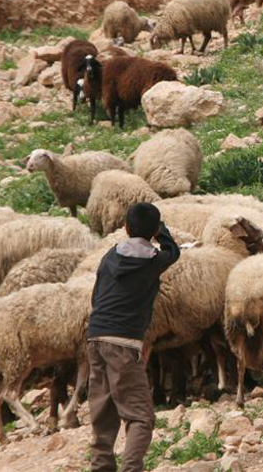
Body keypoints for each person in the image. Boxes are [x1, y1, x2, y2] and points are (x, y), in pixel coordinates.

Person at [87, 202, 180, 472]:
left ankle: (101, 467)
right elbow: (173, 252)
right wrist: (162, 233)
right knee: (140, 416)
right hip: (124, 342)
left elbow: (96, 295)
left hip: (95, 337)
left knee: (103, 411)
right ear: (153, 233)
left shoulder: (109, 255)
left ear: (125, 228)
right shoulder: (153, 261)